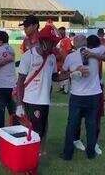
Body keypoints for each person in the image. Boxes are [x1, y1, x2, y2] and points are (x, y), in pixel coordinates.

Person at [15, 25, 69, 155]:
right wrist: (19, 103)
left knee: (43, 128)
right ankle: (29, 154)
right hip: (31, 100)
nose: (53, 47)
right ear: (43, 41)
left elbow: (55, 77)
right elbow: (20, 81)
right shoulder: (29, 56)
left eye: (54, 43)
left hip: (44, 100)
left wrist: (71, 74)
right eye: (51, 43)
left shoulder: (51, 57)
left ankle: (39, 152)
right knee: (33, 130)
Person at [62, 35, 105, 160]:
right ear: (85, 42)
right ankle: (91, 153)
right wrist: (95, 55)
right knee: (91, 124)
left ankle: (67, 154)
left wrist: (73, 72)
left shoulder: (70, 56)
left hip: (77, 96)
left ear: (75, 43)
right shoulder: (94, 51)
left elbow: (63, 73)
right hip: (94, 95)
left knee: (72, 124)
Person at [57, 27, 73, 94]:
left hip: (65, 60)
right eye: (59, 32)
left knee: (65, 73)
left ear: (64, 32)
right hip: (60, 60)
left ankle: (66, 90)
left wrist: (67, 59)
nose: (60, 33)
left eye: (61, 32)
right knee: (60, 74)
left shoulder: (67, 40)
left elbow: (69, 50)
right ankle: (61, 87)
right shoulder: (60, 40)